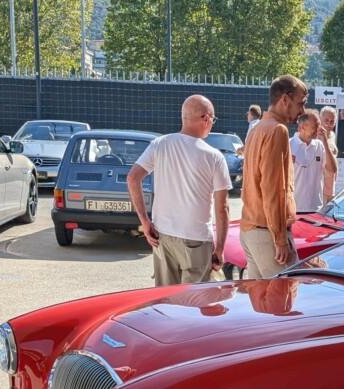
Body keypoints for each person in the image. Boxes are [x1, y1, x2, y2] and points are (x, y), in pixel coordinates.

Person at [128, 94, 231, 286]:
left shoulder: (160, 144)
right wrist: (220, 249)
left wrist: (145, 221)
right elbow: (222, 208)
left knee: (166, 299)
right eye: (213, 119)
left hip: (163, 236)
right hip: (197, 240)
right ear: (206, 118)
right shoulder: (214, 157)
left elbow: (133, 178)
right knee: (194, 300)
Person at [239, 74, 308, 279]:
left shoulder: (258, 128)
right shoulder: (277, 130)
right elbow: (274, 189)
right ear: (285, 99)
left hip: (251, 230)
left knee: (260, 298)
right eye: (301, 103)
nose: (302, 111)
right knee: (284, 296)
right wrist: (279, 239)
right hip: (267, 233)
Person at [291, 109, 337, 212]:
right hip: (293, 208)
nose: (319, 129)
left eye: (319, 125)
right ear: (302, 127)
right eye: (314, 126)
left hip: (316, 208)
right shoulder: (288, 144)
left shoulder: (320, 145)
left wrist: (325, 142)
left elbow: (332, 170)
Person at [319, 106, 339, 200]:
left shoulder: (332, 135)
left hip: (331, 186)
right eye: (326, 120)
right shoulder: (315, 137)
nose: (328, 124)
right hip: (321, 189)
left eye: (332, 121)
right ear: (320, 120)